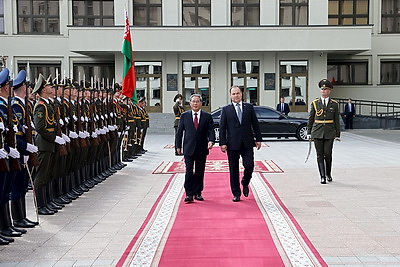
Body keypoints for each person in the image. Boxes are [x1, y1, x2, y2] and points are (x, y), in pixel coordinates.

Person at [219, 86, 262, 202]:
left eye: (238, 93)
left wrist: (258, 139)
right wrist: (222, 143)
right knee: (233, 169)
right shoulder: (226, 109)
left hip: (247, 142)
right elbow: (222, 128)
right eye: (233, 94)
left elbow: (255, 124)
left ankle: (245, 182)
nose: (236, 96)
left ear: (241, 94)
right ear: (230, 95)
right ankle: (236, 193)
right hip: (232, 144)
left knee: (249, 165)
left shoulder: (249, 108)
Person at [175, 94, 215, 203]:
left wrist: (211, 141)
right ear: (190, 103)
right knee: (188, 171)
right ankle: (189, 194)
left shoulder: (207, 116)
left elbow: (211, 130)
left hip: (202, 148)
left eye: (197, 101)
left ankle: (198, 192)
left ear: (201, 103)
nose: (195, 103)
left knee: (199, 171)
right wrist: (178, 146)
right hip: (188, 148)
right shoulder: (184, 116)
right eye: (193, 101)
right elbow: (179, 133)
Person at [307, 79, 341, 184]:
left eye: (325, 89)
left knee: (328, 154)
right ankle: (322, 176)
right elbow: (311, 118)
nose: (323, 91)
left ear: (329, 90)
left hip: (329, 132)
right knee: (319, 154)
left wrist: (337, 134)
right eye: (322, 89)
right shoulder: (315, 103)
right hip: (317, 131)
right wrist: (309, 132)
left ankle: (328, 173)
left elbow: (336, 120)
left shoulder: (334, 104)